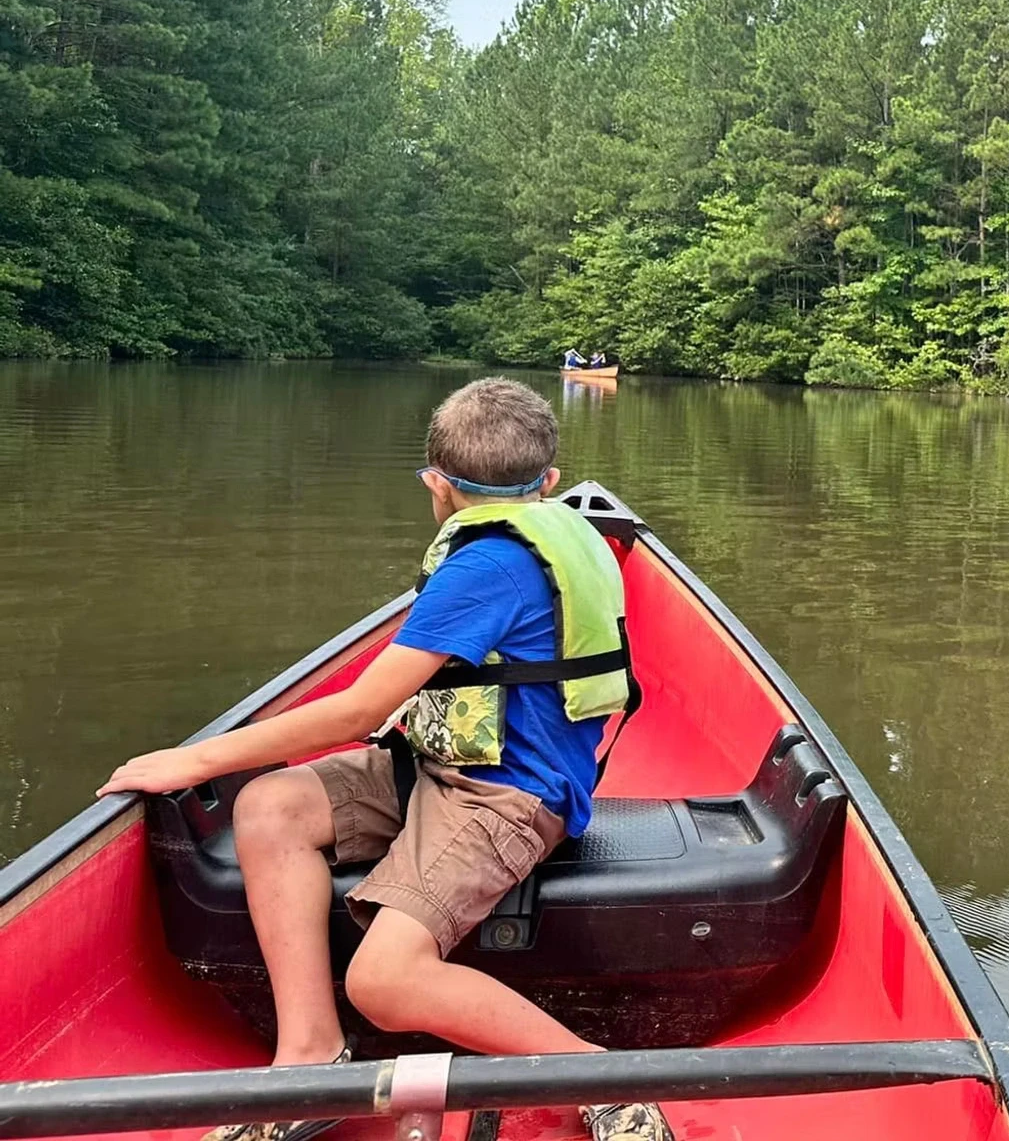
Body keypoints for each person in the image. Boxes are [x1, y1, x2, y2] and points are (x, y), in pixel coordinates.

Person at [100, 378, 670, 1141]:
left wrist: (194, 759)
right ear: (551, 484)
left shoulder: (485, 567)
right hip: (434, 764)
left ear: (436, 484)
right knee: (268, 805)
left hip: (507, 793)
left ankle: (605, 1079)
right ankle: (311, 1055)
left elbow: (359, 711)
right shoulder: (558, 532)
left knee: (384, 981)